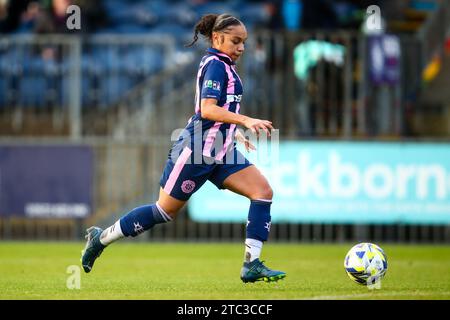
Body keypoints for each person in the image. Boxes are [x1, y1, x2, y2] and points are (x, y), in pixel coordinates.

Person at [81, 13, 286, 284]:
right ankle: (101, 238)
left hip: (221, 150)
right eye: (236, 41)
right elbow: (207, 109)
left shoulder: (227, 66)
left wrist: (233, 133)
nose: (241, 48)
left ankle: (252, 264)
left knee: (262, 192)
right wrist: (246, 121)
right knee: (164, 211)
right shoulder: (214, 64)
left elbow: (219, 112)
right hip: (197, 150)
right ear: (217, 38)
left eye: (244, 42)